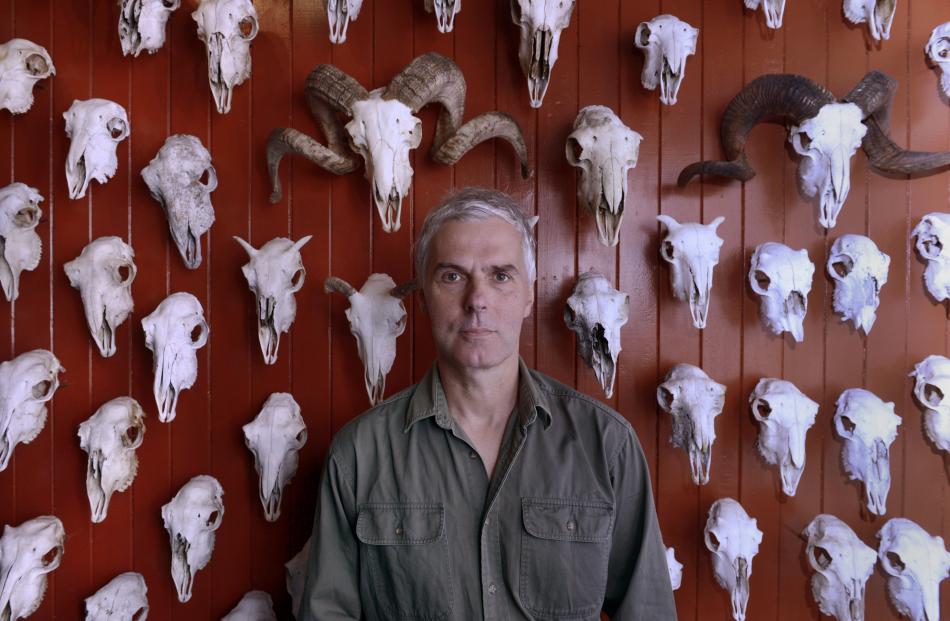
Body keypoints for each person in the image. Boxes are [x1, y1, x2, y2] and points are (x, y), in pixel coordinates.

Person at [298, 187, 677, 620]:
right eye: (453, 276)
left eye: (500, 275)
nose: (477, 300)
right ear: (422, 296)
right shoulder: (359, 455)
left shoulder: (607, 446)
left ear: (529, 296)